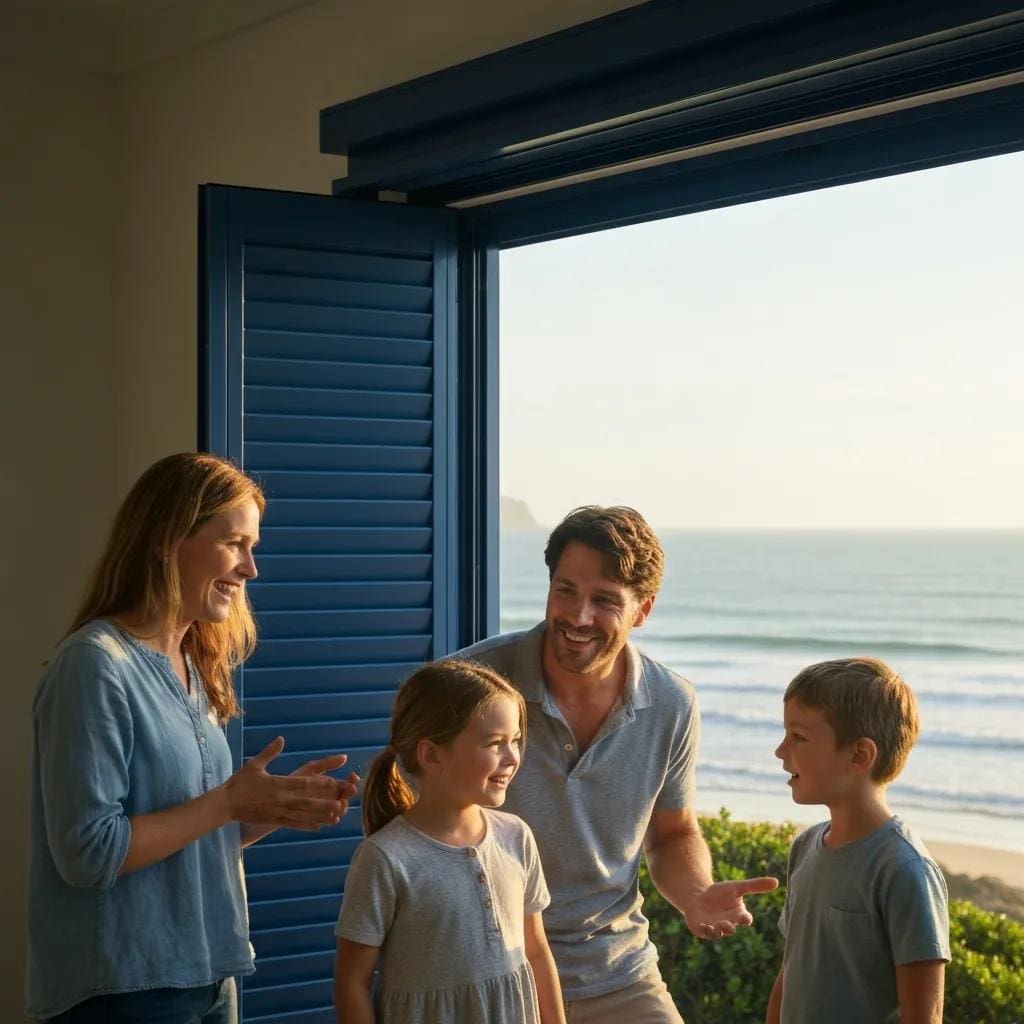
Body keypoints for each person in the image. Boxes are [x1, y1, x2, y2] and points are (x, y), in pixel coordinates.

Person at [27, 452, 359, 1024]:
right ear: (167, 539)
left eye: (253, 547)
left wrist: (269, 807)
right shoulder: (95, 665)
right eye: (234, 543)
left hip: (209, 977)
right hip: (124, 991)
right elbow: (88, 853)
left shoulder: (192, 665)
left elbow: (194, 830)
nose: (251, 568)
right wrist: (229, 801)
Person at [458, 506, 778, 1022]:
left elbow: (672, 834)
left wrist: (695, 893)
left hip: (618, 973)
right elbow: (409, 811)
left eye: (604, 601)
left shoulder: (672, 702)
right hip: (489, 974)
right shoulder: (471, 683)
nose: (578, 617)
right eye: (565, 590)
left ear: (643, 610)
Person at [334, 660, 565, 1024]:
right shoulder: (385, 858)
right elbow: (352, 983)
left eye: (516, 741)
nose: (512, 758)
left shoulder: (515, 836)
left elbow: (535, 950)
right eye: (494, 743)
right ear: (431, 754)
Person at [767, 657, 950, 1024]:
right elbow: (792, 971)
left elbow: (924, 1016)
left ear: (859, 755)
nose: (780, 750)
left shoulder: (904, 868)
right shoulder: (804, 848)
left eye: (798, 737)